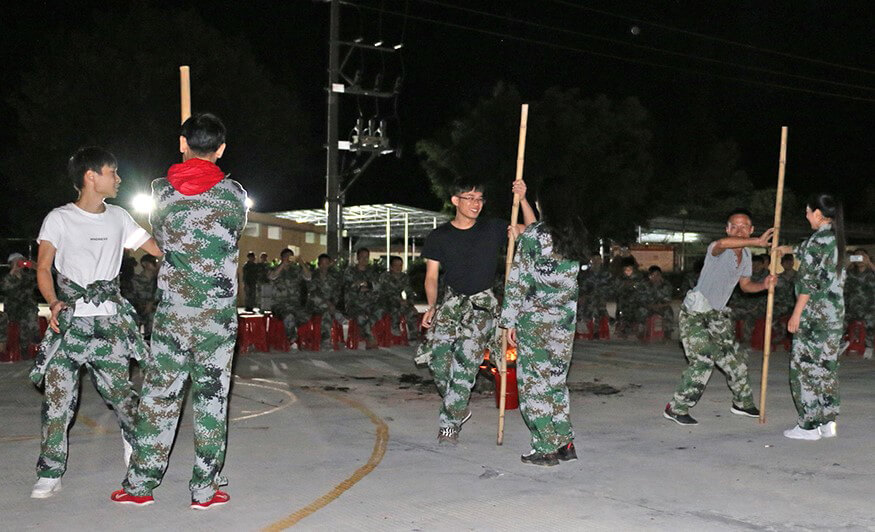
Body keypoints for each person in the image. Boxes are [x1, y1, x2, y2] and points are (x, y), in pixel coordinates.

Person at [116, 113, 247, 508]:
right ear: (221, 149)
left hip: (174, 312)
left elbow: (160, 236)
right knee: (212, 398)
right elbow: (234, 232)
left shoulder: (161, 192)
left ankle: (140, 485)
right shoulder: (234, 195)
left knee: (159, 396)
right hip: (217, 316)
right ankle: (204, 489)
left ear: (182, 143)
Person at [30, 146, 161, 499]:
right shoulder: (59, 218)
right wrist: (53, 302)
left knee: (121, 395)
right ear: (91, 176)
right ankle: (51, 471)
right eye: (112, 172)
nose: (118, 178)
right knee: (58, 399)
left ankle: (134, 447)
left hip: (109, 323)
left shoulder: (119, 217)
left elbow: (157, 249)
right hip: (70, 322)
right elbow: (43, 268)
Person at [417, 179, 535, 444]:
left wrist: (523, 199)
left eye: (480, 199)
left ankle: (449, 425)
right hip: (451, 303)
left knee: (465, 365)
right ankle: (458, 406)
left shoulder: (492, 228)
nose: (476, 203)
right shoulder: (439, 236)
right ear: (455, 201)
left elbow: (533, 231)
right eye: (469, 198)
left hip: (481, 307)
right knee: (437, 360)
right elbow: (431, 277)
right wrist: (431, 306)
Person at [499, 177, 588, 466]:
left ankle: (544, 447)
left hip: (535, 322)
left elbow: (518, 281)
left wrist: (508, 321)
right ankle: (564, 441)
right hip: (564, 323)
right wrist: (524, 209)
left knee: (535, 383)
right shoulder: (574, 235)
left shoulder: (534, 236)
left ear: (544, 203)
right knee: (556, 381)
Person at [663, 208, 775, 426]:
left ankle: (742, 403)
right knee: (703, 361)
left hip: (717, 315)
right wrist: (757, 242)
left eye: (744, 226)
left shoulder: (746, 256)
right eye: (735, 226)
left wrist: (764, 285)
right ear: (727, 229)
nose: (740, 230)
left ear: (751, 229)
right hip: (695, 314)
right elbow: (722, 244)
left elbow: (745, 285)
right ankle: (676, 408)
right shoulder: (718, 248)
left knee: (736, 361)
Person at [778, 194, 846, 440]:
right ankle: (828, 421)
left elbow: (807, 282)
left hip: (813, 316)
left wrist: (796, 314)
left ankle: (808, 426)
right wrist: (786, 249)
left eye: (808, 212)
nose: (806, 217)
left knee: (804, 368)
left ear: (818, 213)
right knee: (827, 368)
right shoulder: (835, 238)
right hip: (833, 316)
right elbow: (806, 251)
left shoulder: (817, 241)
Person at [269, 248, 311, 348]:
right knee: (289, 316)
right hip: (279, 305)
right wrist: (283, 264)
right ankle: (292, 340)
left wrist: (301, 263)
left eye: (290, 256)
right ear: (281, 257)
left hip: (294, 304)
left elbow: (308, 277)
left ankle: (294, 329)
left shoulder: (296, 270)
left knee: (307, 315)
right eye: (286, 256)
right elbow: (272, 277)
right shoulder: (274, 268)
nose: (288, 259)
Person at [1, 253, 40, 360]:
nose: (20, 263)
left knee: (28, 314)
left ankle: (27, 346)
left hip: (27, 308)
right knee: (28, 314)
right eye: (17, 261)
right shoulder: (7, 277)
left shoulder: (28, 276)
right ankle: (26, 345)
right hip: (13, 309)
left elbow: (42, 280)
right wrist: (13, 272)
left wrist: (36, 267)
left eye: (21, 260)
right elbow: (4, 288)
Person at [343, 248, 381, 348]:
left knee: (381, 310)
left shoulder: (372, 272)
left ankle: (363, 330)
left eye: (367, 257)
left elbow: (377, 286)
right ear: (358, 258)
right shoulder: (350, 271)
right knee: (361, 316)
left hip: (370, 303)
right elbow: (348, 286)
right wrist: (361, 287)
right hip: (354, 303)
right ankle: (370, 338)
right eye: (362, 257)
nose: (365, 259)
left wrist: (366, 285)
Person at [379, 256, 422, 341]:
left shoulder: (404, 277)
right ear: (391, 267)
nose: (398, 268)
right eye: (396, 265)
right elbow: (385, 292)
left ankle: (413, 336)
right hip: (385, 301)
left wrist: (410, 303)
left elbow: (409, 292)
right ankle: (394, 326)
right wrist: (400, 300)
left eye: (400, 265)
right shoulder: (385, 277)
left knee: (410, 312)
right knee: (396, 307)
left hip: (399, 302)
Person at [843, 249, 874, 358]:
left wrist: (869, 263)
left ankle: (869, 346)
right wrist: (847, 265)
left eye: (862, 256)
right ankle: (840, 344)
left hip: (869, 308)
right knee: (839, 321)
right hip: (852, 308)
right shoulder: (850, 273)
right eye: (856, 256)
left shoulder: (871, 272)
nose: (859, 259)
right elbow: (838, 279)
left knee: (871, 322)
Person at [306, 253, 343, 345]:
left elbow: (336, 292)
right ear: (318, 264)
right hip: (314, 304)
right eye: (322, 263)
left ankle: (325, 339)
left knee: (326, 312)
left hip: (328, 306)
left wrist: (332, 303)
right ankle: (336, 314)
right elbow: (313, 291)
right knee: (317, 299)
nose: (324, 266)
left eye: (326, 263)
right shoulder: (313, 275)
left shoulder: (333, 277)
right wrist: (328, 303)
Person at [576, 256, 615, 338]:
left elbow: (611, 287)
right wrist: (582, 296)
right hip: (590, 297)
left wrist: (607, 296)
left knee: (598, 309)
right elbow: (583, 287)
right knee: (587, 308)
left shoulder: (606, 274)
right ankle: (590, 328)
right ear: (591, 261)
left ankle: (597, 329)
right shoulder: (587, 274)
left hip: (602, 296)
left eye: (598, 259)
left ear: (601, 260)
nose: (596, 261)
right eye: (594, 259)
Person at [131, 254, 159, 340]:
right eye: (153, 262)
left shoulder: (159, 281)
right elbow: (131, 297)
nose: (156, 264)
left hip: (154, 314)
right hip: (139, 311)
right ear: (145, 264)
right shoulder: (135, 280)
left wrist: (151, 305)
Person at [615, 262, 646, 339]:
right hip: (624, 302)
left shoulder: (638, 277)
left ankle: (640, 331)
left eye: (630, 269)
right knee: (624, 313)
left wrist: (634, 285)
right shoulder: (620, 278)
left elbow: (643, 288)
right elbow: (616, 290)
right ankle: (624, 330)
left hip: (637, 301)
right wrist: (624, 285)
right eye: (626, 269)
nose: (628, 271)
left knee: (642, 312)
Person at [643, 265, 675, 339]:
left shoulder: (666, 285)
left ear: (661, 275)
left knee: (668, 312)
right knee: (641, 311)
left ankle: (667, 333)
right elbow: (642, 299)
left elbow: (668, 300)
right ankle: (642, 332)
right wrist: (650, 306)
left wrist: (660, 306)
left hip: (662, 307)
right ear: (649, 276)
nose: (655, 277)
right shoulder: (645, 285)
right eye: (653, 275)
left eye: (657, 275)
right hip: (649, 306)